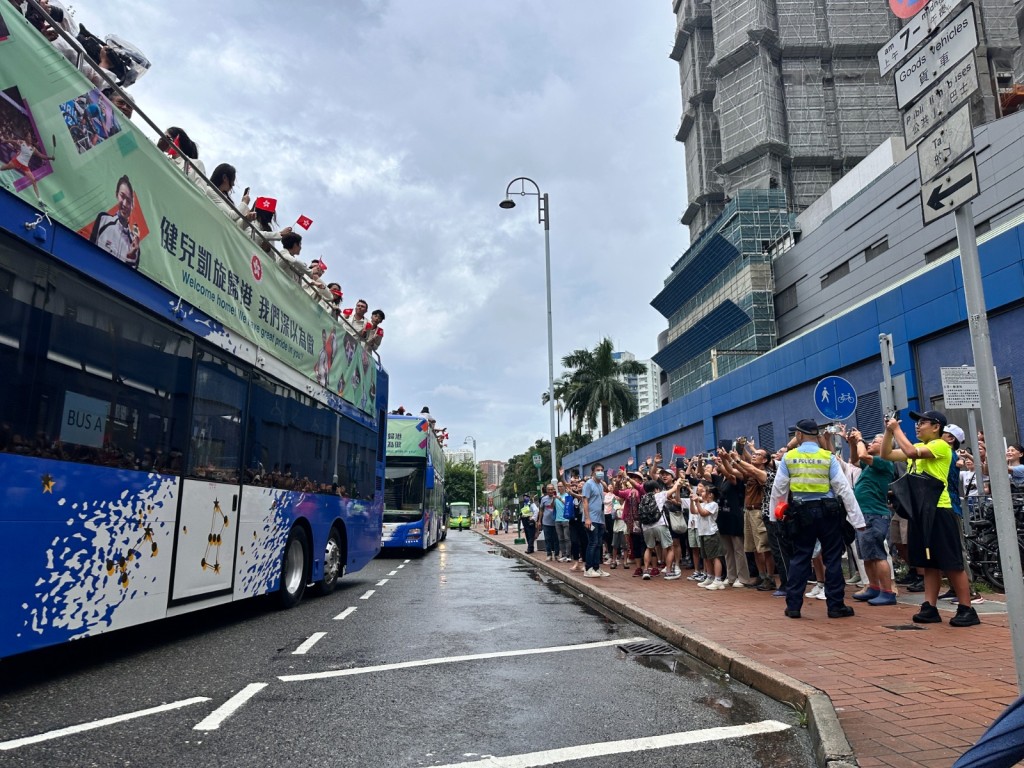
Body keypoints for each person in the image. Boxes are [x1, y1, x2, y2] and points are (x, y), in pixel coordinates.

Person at [882, 410, 980, 627]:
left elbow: (908, 451)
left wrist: (896, 429)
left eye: (923, 422)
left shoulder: (940, 445)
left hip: (939, 510)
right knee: (929, 564)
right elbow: (886, 454)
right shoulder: (918, 447)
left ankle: (967, 608)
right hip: (920, 512)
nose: (918, 426)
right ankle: (930, 607)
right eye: (917, 423)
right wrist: (889, 432)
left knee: (951, 562)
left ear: (936, 427)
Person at [769, 418, 865, 619]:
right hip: (828, 513)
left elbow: (779, 490)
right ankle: (835, 606)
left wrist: (775, 517)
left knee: (800, 558)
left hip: (801, 514)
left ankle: (794, 606)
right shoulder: (827, 457)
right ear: (816, 436)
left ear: (799, 435)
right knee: (832, 559)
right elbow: (843, 489)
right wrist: (858, 521)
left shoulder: (789, 458)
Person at [846, 429, 898, 605]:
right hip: (863, 513)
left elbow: (861, 456)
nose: (871, 443)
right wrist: (853, 443)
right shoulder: (870, 465)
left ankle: (887, 592)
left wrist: (860, 439)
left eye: (876, 441)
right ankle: (873, 587)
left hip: (874, 513)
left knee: (877, 554)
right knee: (867, 554)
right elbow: (854, 459)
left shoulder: (884, 461)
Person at [89, 174, 140, 268]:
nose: (124, 204)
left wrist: (130, 257)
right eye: (122, 196)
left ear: (132, 206)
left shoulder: (134, 244)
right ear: (116, 194)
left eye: (128, 201)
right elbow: (88, 251)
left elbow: (128, 278)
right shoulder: (103, 220)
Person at [1, 133, 53, 200]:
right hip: (17, 161)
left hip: (25, 166)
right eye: (28, 137)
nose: (30, 138)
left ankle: (39, 199)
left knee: (33, 181)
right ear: (25, 138)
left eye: (30, 137)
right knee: (4, 168)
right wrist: (5, 141)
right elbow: (13, 141)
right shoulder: (22, 142)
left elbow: (41, 156)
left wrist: (50, 158)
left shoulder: (33, 149)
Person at [581, 464, 609, 578]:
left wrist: (603, 521)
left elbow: (601, 504)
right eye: (598, 470)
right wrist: (587, 518)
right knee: (592, 543)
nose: (600, 472)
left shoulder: (600, 485)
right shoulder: (588, 484)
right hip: (591, 519)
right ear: (592, 472)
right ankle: (588, 568)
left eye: (602, 470)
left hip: (599, 519)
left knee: (598, 544)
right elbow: (585, 501)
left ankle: (597, 567)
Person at [539, 484, 559, 561]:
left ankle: (556, 554)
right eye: (549, 489)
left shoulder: (557, 498)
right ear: (546, 491)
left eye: (552, 489)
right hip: (546, 522)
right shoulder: (543, 499)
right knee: (547, 539)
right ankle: (549, 554)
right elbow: (541, 510)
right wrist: (539, 521)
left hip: (556, 522)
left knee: (556, 539)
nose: (550, 491)